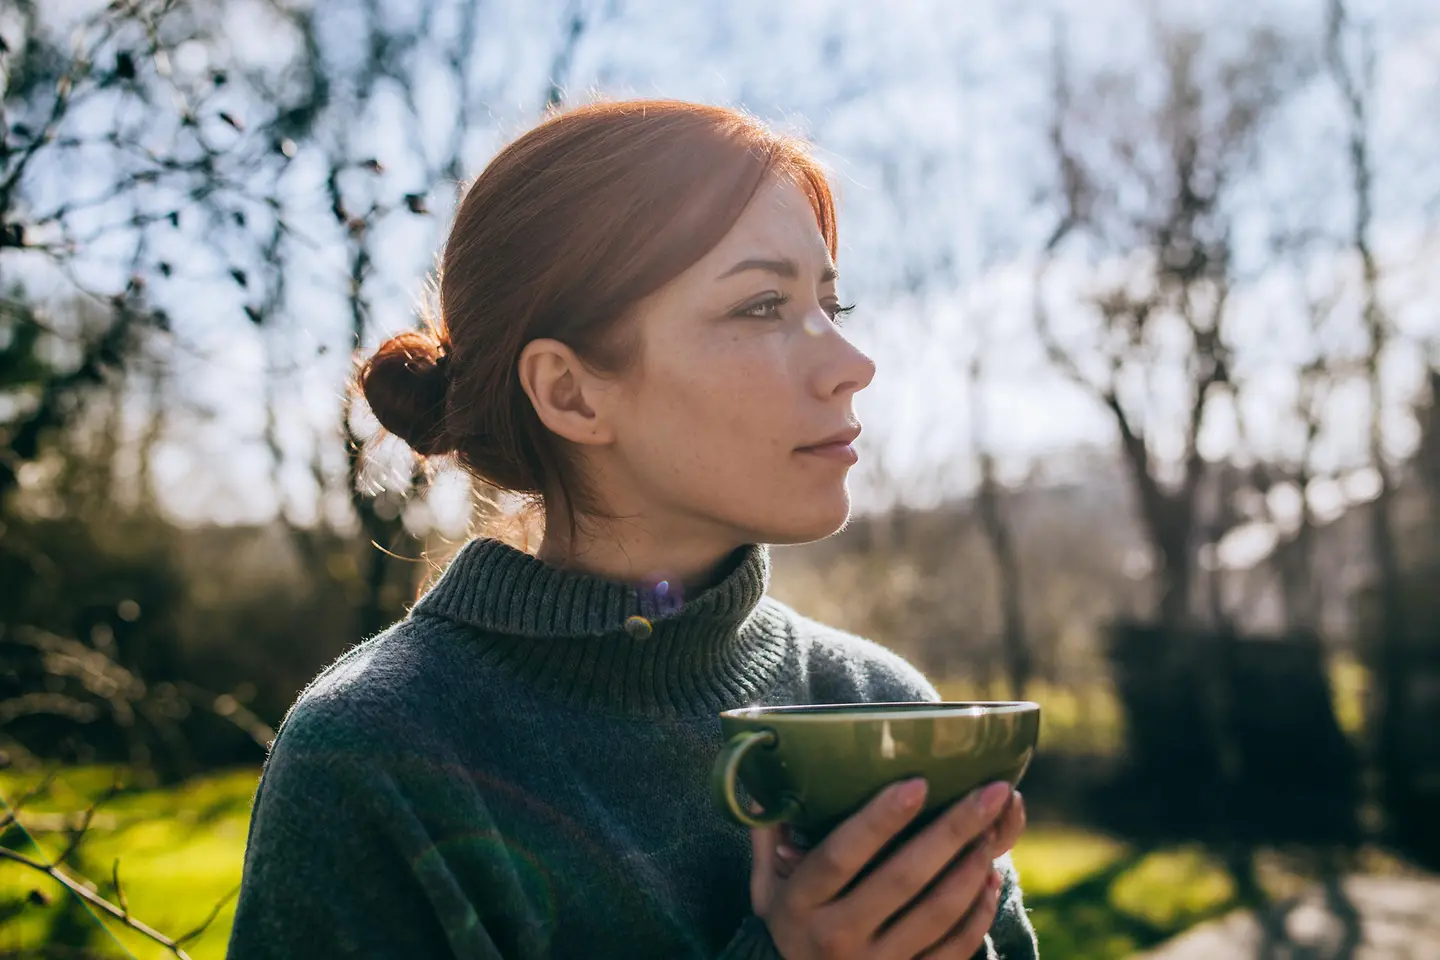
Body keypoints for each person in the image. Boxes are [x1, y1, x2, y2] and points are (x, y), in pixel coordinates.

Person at [227, 99, 1038, 960]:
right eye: (762, 306)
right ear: (571, 392)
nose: (853, 364)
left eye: (833, 305)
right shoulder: (373, 758)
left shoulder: (882, 710)